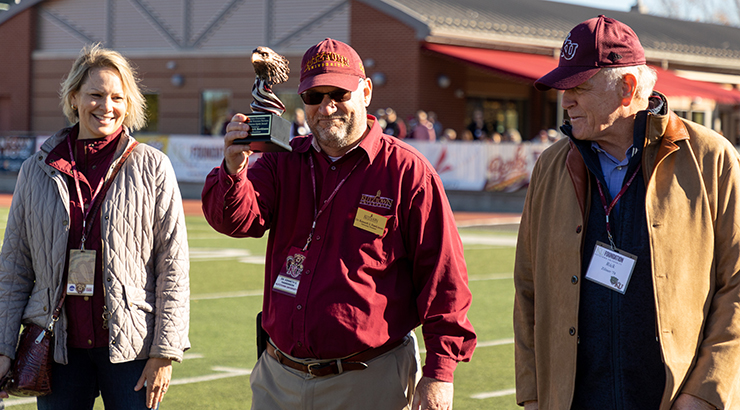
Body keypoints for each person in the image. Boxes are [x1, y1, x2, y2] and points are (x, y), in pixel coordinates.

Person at [202, 38, 476, 410]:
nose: (326, 106)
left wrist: (440, 373)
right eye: (314, 97)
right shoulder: (282, 159)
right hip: (278, 376)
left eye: (339, 93)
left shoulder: (407, 172)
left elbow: (443, 280)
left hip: (369, 380)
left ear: (365, 91)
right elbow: (236, 221)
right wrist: (233, 170)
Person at [514, 15, 740, 410]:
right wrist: (534, 395)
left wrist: (704, 393)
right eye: (563, 87)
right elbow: (528, 289)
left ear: (627, 88)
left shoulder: (711, 157)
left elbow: (737, 283)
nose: (565, 99)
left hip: (675, 400)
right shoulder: (550, 166)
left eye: (579, 87)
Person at [0, 44, 190, 410]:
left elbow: (173, 266)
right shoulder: (36, 170)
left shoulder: (153, 167)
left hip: (131, 350)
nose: (107, 106)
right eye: (96, 95)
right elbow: (14, 268)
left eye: (118, 97)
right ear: (74, 98)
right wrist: (3, 348)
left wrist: (165, 351)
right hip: (57, 350)